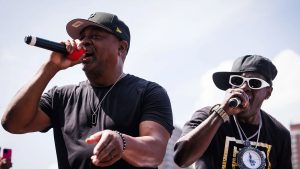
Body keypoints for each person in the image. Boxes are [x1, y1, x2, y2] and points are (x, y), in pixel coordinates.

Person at [1, 12, 174, 169]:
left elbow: (155, 153)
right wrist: (51, 67)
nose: (84, 41)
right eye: (82, 37)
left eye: (95, 36)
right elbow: (13, 123)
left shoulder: (148, 92)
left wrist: (122, 142)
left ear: (121, 47)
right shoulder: (60, 97)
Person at [173, 55, 292, 169]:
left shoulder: (279, 134)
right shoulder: (207, 117)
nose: (244, 87)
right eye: (238, 81)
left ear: (268, 93)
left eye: (255, 83)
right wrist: (221, 113)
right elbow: (181, 159)